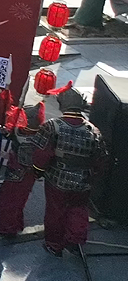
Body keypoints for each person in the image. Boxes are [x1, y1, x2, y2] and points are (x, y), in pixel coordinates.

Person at [36, 86, 106, 256]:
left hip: (57, 180)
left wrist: (37, 170)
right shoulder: (94, 131)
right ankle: (75, 241)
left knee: (55, 211)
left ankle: (54, 244)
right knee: (79, 209)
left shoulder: (52, 126)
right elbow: (101, 159)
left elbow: (41, 154)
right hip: (83, 181)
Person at [0, 108, 48, 237]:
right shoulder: (34, 133)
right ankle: (16, 224)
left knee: (9, 200)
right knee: (17, 199)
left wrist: (10, 155)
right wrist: (6, 133)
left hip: (20, 171)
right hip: (24, 173)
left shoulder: (37, 138)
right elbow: (13, 135)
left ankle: (6, 229)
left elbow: (26, 157)